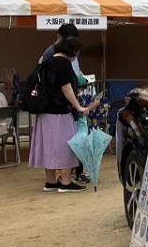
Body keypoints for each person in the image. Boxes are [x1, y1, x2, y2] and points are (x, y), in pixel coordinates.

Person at [30, 37, 100, 193]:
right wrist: (79, 107)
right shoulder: (63, 64)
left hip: (44, 112)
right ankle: (66, 182)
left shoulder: (46, 61)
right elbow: (66, 88)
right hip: (59, 112)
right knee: (67, 145)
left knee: (48, 146)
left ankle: (50, 182)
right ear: (73, 51)